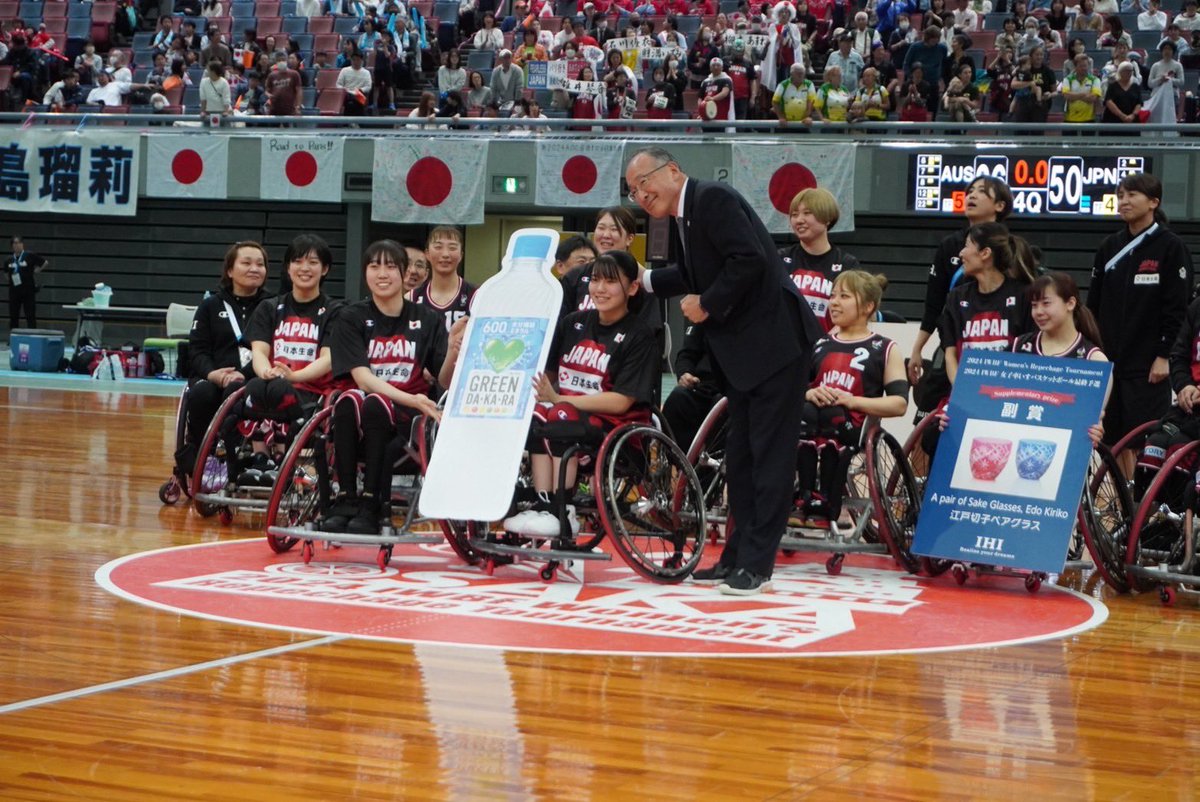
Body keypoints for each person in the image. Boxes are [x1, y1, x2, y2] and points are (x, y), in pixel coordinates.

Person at [625, 146, 824, 596]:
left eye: (644, 183)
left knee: (768, 459)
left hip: (774, 347)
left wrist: (707, 303)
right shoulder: (683, 216)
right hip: (743, 355)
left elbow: (748, 259)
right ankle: (735, 556)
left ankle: (757, 565)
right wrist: (646, 281)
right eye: (633, 191)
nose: (640, 195)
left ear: (672, 171)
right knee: (741, 459)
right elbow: (697, 271)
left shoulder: (712, 197)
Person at [503, 251, 659, 537]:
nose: (600, 288)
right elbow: (545, 378)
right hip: (567, 414)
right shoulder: (572, 323)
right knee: (537, 414)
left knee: (559, 414)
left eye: (611, 281)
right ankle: (544, 506)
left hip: (616, 426)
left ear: (633, 287)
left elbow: (621, 401)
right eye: (595, 280)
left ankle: (565, 511)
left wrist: (561, 399)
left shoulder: (641, 335)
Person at [322, 241, 463, 535]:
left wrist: (451, 350)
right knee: (352, 400)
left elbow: (446, 380)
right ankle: (346, 498)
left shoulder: (427, 318)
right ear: (365, 273)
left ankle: (371, 503)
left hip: (405, 420)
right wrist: (413, 398)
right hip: (365, 412)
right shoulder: (351, 316)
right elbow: (362, 378)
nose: (381, 274)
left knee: (375, 404)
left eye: (390, 266)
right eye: (374, 266)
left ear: (403, 273)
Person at [1088, 173, 1193, 455]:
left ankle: (1140, 497)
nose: (1124, 201)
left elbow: (1178, 309)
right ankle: (1117, 496)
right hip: (1109, 361)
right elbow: (1093, 306)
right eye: (1120, 195)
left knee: (1142, 437)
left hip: (1148, 366)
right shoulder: (1109, 247)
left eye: (1132, 195)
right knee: (1111, 438)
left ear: (1153, 202)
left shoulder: (1171, 247)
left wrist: (1164, 355)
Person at [795, 271, 908, 530]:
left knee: (831, 414)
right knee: (806, 412)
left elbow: (899, 404)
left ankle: (827, 502)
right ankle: (805, 497)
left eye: (844, 296)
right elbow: (793, 390)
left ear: (868, 306)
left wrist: (852, 401)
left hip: (853, 425)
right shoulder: (819, 343)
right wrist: (808, 392)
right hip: (813, 419)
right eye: (832, 295)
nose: (833, 302)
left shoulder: (885, 347)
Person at [922, 222, 1037, 455]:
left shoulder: (1023, 295)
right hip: (967, 393)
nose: (961, 253)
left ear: (985, 254)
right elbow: (951, 353)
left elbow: (1032, 355)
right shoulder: (957, 297)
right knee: (931, 437)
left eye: (966, 247)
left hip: (1010, 397)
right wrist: (964, 390)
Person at [909, 176, 1013, 423]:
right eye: (970, 191)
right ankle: (914, 463)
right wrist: (917, 348)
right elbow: (934, 303)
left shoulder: (1010, 247)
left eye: (981, 191)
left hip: (994, 348)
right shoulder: (950, 246)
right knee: (927, 423)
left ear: (999, 205)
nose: (971, 196)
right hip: (952, 346)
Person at [239, 235, 336, 485]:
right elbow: (259, 352)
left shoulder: (336, 311)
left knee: (281, 389)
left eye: (313, 262)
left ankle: (283, 456)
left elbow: (328, 359)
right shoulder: (269, 308)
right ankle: (261, 458)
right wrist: (265, 372)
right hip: (273, 385)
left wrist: (295, 376)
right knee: (253, 387)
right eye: (298, 261)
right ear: (288, 267)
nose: (305, 268)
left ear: (324, 269)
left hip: (311, 391)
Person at [177, 241, 270, 479]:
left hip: (253, 378)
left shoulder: (272, 306)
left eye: (260, 264)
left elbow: (273, 349)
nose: (254, 268)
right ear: (230, 270)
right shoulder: (210, 306)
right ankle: (200, 454)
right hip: (213, 378)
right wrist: (213, 374)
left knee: (240, 391)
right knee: (202, 393)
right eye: (246, 263)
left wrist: (244, 374)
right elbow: (196, 350)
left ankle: (237, 459)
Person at [779, 187, 861, 330]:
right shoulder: (780, 259)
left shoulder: (846, 263)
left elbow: (855, 315)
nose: (799, 220)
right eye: (794, 214)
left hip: (828, 347)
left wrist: (827, 346)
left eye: (807, 213)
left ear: (827, 218)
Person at [408, 226, 475, 335]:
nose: (445, 254)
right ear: (427, 254)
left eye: (452, 248)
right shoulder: (411, 299)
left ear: (461, 255)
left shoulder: (476, 297)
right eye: (438, 247)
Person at [6, 236, 48, 332]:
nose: (17, 245)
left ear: (22, 244)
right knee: (13, 315)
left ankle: (32, 336)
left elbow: (44, 262)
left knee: (30, 315)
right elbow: (6, 274)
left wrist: (37, 270)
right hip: (14, 292)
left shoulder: (29, 255)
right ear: (12, 246)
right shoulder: (9, 260)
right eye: (15, 243)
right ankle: (13, 338)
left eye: (19, 243)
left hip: (28, 290)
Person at [1060, 53, 1104, 124]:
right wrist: (1083, 95)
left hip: (1089, 119)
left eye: (1085, 66)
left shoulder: (1095, 80)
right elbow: (1066, 96)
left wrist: (1074, 96)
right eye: (1081, 66)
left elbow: (1093, 98)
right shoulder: (1067, 79)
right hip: (1070, 119)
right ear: (1075, 66)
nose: (1084, 68)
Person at [337, 50, 372, 115]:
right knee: (348, 101)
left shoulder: (366, 73)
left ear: (362, 60)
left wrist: (360, 90)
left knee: (357, 101)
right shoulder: (344, 70)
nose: (356, 62)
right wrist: (345, 90)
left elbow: (368, 86)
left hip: (359, 94)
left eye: (358, 60)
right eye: (354, 60)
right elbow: (338, 84)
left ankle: (355, 122)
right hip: (346, 94)